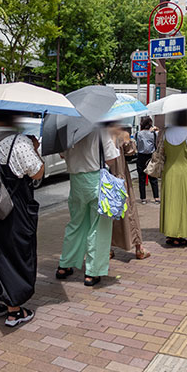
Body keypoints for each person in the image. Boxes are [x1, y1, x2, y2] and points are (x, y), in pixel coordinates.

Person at [0, 110, 44, 327]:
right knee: (16, 252)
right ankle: (15, 310)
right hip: (12, 205)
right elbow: (36, 173)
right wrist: (35, 149)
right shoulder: (19, 142)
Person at [57, 128, 119, 286]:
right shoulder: (99, 130)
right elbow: (111, 159)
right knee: (98, 226)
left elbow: (62, 154)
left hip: (76, 181)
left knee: (76, 223)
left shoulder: (68, 130)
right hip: (96, 179)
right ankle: (92, 272)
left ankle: (65, 265)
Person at [108, 124, 150, 260]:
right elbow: (130, 150)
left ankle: (107, 248)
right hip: (118, 173)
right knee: (128, 210)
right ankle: (139, 247)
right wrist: (128, 139)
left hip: (98, 177)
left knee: (104, 213)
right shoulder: (116, 131)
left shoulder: (92, 130)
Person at [160, 111, 187, 247]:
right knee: (183, 202)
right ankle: (181, 234)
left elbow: (161, 151)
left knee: (170, 201)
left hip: (168, 170)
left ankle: (170, 234)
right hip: (184, 172)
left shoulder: (165, 132)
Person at [135, 116, 160, 204]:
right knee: (153, 177)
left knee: (141, 178)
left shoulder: (138, 133)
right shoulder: (154, 134)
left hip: (141, 156)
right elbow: (159, 135)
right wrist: (156, 129)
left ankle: (143, 198)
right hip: (151, 156)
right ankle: (156, 197)